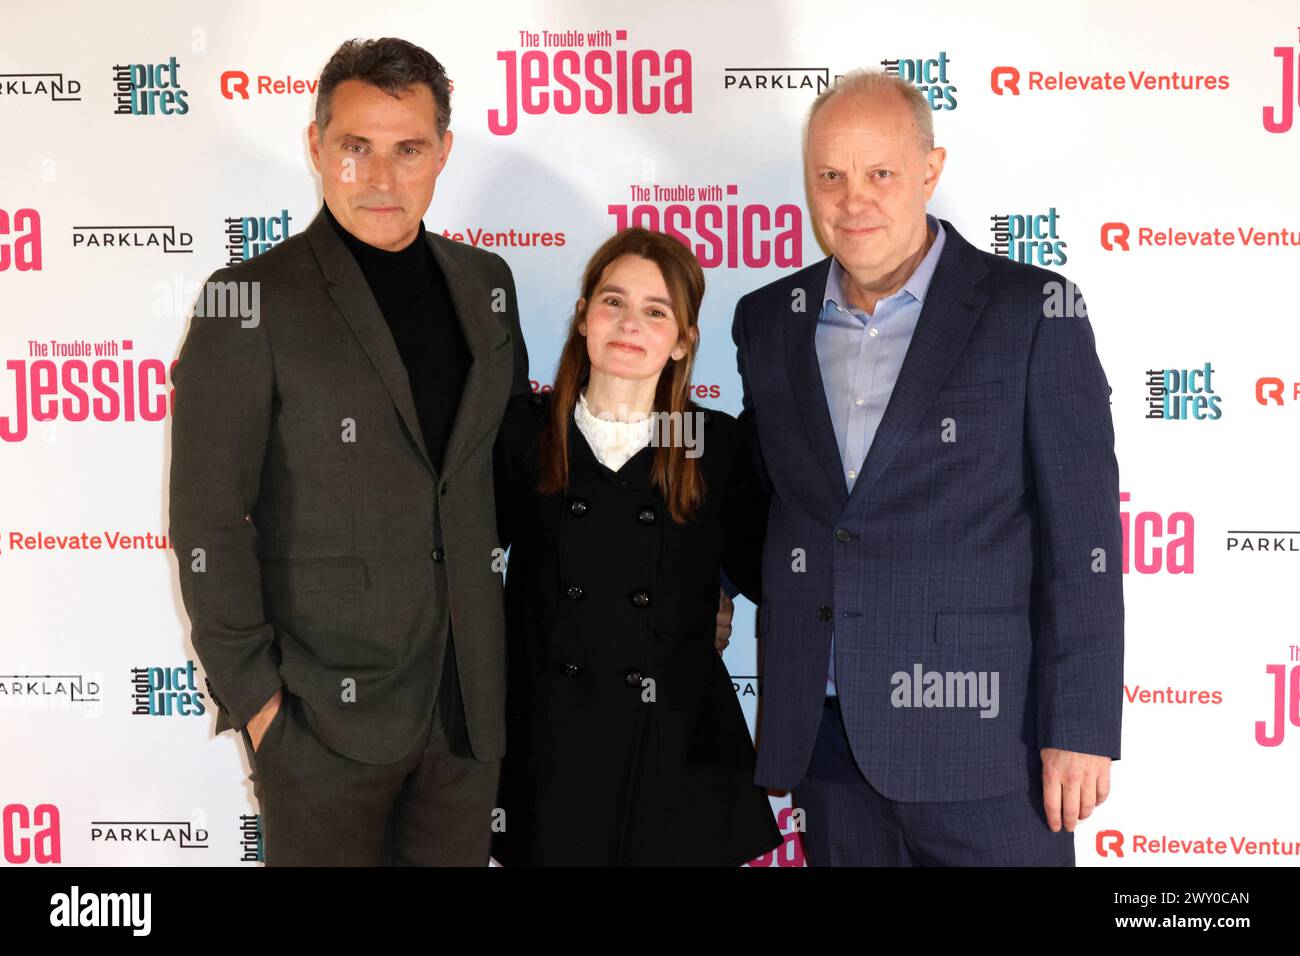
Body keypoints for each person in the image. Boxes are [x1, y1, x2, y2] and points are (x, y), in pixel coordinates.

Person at [732, 69, 1124, 865]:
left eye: (879, 173)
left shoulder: (1033, 311)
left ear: (930, 171)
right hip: (828, 752)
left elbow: (1082, 539)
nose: (852, 200)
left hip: (992, 756)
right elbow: (765, 493)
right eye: (830, 176)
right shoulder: (770, 318)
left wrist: (1078, 729)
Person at [169, 37, 529, 865]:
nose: (380, 177)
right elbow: (208, 520)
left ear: (444, 151)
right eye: (355, 148)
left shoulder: (487, 287)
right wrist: (261, 705)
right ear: (316, 147)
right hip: (320, 723)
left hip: (469, 710)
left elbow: (509, 477)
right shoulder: (248, 302)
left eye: (408, 150)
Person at [491, 228, 782, 866]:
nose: (629, 324)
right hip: (550, 749)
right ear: (584, 317)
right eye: (613, 301)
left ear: (683, 340)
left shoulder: (714, 444)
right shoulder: (523, 435)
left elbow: (773, 566)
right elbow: (463, 559)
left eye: (656, 311)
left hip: (672, 752)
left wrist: (717, 592)